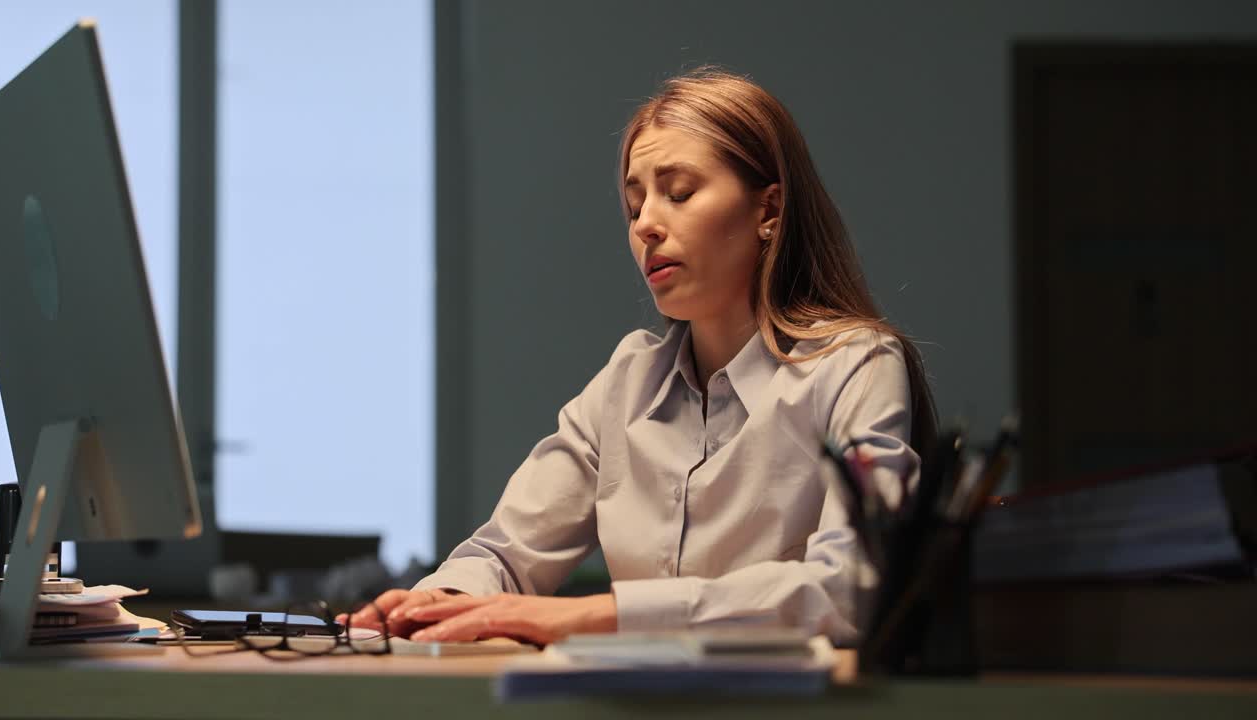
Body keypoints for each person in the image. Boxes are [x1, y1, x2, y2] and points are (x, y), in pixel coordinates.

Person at [342, 68, 936, 647]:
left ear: (769, 211)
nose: (646, 224)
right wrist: (439, 601)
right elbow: (505, 551)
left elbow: (850, 588)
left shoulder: (854, 364)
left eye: (678, 193)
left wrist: (601, 615)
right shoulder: (627, 379)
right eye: (634, 207)